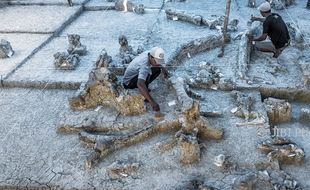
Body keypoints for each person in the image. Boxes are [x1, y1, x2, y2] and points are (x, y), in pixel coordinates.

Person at [123, 47, 169, 113]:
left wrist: (163, 68)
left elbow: (159, 63)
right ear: (151, 57)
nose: (158, 63)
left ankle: (145, 89)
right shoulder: (144, 65)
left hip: (135, 75)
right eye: (156, 61)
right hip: (128, 83)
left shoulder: (150, 52)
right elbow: (140, 84)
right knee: (146, 74)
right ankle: (145, 94)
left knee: (157, 69)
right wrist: (152, 102)